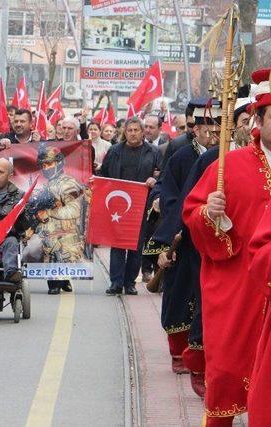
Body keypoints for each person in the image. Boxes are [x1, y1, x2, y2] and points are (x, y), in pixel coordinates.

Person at [182, 69, 271, 427]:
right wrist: (209, 213)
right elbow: (192, 213)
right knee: (228, 379)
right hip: (236, 287)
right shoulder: (228, 167)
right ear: (258, 121)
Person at [142, 99, 221, 397]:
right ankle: (181, 352)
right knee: (180, 293)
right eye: (206, 128)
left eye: (217, 128)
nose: (212, 133)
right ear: (196, 129)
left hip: (218, 240)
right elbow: (173, 191)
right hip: (185, 233)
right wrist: (173, 230)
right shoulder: (180, 153)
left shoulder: (226, 158)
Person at [100, 116, 162, 295]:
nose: (133, 133)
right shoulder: (114, 151)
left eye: (136, 130)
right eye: (130, 130)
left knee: (136, 244)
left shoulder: (154, 152)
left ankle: (130, 283)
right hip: (118, 205)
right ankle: (116, 282)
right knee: (117, 243)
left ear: (142, 132)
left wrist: (155, 179)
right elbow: (103, 175)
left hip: (142, 205)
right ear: (124, 132)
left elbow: (163, 174)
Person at [27, 146, 89, 294]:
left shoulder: (68, 183)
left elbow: (74, 210)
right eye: (43, 165)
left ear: (59, 163)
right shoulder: (49, 183)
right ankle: (61, 280)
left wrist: (49, 212)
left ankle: (58, 282)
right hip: (49, 233)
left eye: (49, 164)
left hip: (66, 233)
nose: (45, 168)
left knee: (58, 255)